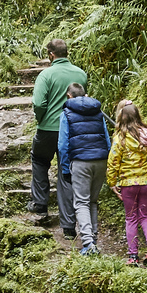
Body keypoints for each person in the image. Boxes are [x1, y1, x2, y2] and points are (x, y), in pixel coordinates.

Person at [29, 39, 87, 234]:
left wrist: (41, 119)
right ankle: (69, 226)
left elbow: (38, 103)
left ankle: (40, 204)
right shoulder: (81, 74)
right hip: (72, 130)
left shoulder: (46, 75)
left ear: (51, 54)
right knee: (66, 173)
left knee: (39, 160)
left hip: (47, 129)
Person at [56, 83, 111, 255]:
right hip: (101, 160)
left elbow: (63, 145)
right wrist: (108, 162)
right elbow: (107, 139)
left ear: (69, 96)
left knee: (81, 202)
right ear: (85, 94)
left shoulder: (66, 114)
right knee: (92, 201)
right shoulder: (98, 112)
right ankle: (93, 238)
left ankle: (88, 243)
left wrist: (66, 169)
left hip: (80, 161)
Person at [106, 99, 147, 266]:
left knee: (131, 218)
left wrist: (112, 182)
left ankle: (133, 256)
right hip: (146, 182)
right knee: (145, 216)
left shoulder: (120, 137)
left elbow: (113, 161)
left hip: (128, 184)